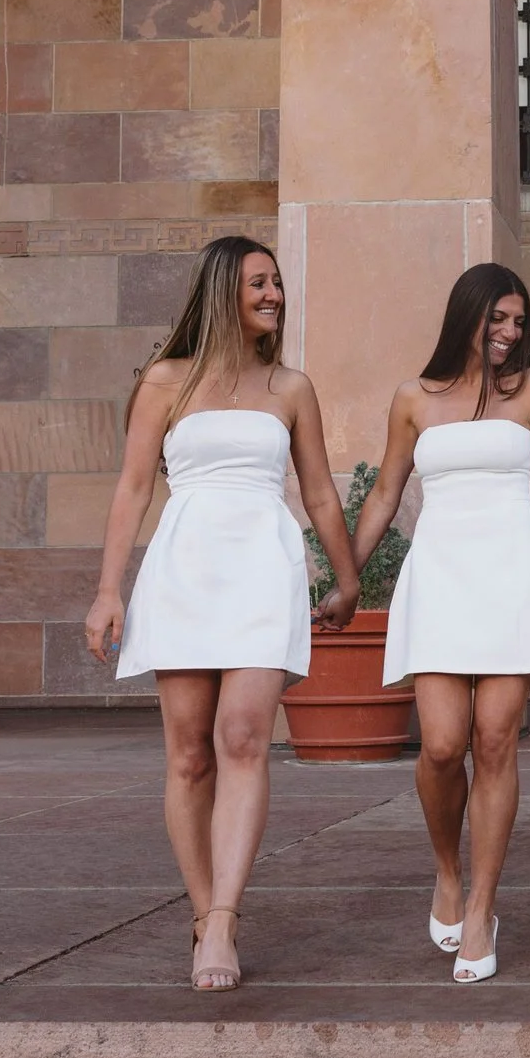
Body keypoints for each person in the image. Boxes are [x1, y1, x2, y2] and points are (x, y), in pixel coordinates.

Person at [85, 235, 355, 993]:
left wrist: (347, 578)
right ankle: (202, 911)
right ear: (222, 292)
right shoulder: (165, 381)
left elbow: (321, 493)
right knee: (188, 754)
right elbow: (134, 489)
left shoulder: (290, 387)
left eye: (276, 283)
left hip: (263, 568)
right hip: (185, 567)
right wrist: (109, 591)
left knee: (243, 736)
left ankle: (227, 920)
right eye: (258, 284)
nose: (273, 295)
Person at [350, 263, 530, 984]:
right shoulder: (414, 398)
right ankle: (447, 870)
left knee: (496, 740)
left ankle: (481, 905)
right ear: (466, 316)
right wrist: (346, 575)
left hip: (514, 574)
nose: (508, 334)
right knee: (442, 746)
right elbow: (385, 492)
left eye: (518, 322)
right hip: (441, 576)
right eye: (497, 319)